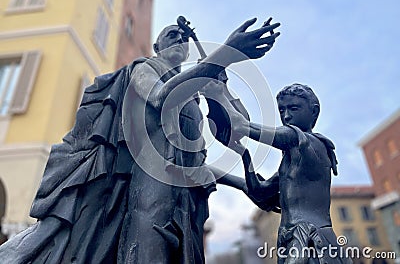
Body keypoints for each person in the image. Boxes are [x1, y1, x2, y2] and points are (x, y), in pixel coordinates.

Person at [0, 17, 280, 263]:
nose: (180, 39)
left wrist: (244, 184)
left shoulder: (192, 95)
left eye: (183, 38)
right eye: (172, 35)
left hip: (185, 201)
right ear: (157, 46)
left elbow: (209, 150)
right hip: (150, 194)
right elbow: (160, 97)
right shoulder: (144, 69)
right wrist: (223, 55)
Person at [229, 84, 352, 263]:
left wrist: (223, 96)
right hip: (290, 237)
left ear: (314, 112)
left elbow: (247, 127)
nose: (286, 116)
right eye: (281, 110)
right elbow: (260, 191)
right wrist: (241, 157)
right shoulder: (294, 162)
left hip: (311, 237)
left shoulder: (308, 142)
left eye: (294, 108)